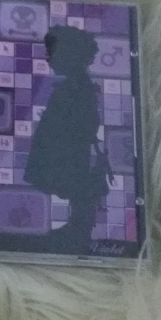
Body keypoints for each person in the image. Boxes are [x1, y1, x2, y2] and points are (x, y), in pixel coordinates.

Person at [24, 26, 109, 241]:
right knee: (75, 184)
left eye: (52, 53)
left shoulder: (79, 86)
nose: (49, 59)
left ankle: (79, 228)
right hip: (66, 145)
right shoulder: (74, 84)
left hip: (70, 146)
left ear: (69, 55)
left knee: (77, 184)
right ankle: (77, 226)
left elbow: (88, 120)